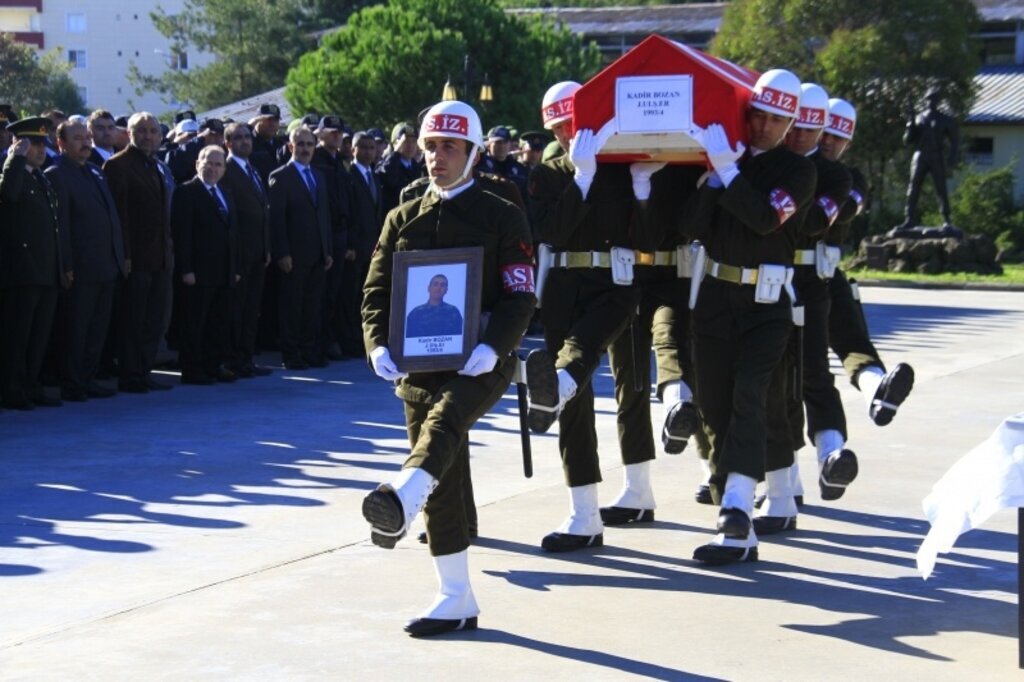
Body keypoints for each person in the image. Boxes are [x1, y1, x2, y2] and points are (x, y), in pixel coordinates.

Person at [361, 100, 535, 637]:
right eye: (431, 145)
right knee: (447, 478)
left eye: (450, 148)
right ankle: (454, 595)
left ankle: (402, 494)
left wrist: (496, 345)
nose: (437, 157)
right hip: (418, 367)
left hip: (480, 360)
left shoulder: (501, 212)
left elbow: (520, 292)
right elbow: (376, 291)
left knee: (441, 430)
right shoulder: (403, 216)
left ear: (475, 154)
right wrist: (376, 345)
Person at [682, 69, 817, 565]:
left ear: (791, 122)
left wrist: (727, 174)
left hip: (766, 304)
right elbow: (691, 225)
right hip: (715, 295)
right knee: (714, 405)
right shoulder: (727, 159)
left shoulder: (799, 170)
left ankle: (737, 505)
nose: (764, 126)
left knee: (749, 395)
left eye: (776, 119)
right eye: (758, 114)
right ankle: (737, 531)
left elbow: (765, 218)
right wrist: (712, 179)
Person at [525, 80, 649, 552]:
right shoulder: (548, 174)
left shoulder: (620, 167)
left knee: (583, 364)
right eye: (558, 124)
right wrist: (580, 177)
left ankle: (555, 386)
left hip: (615, 283)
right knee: (574, 408)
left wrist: (641, 189)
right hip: (563, 285)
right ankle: (584, 515)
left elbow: (650, 228)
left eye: (571, 120)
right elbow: (551, 231)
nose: (566, 131)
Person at [754, 83, 853, 536]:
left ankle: (831, 455)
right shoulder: (766, 161)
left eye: (816, 129)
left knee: (812, 372)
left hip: (811, 282)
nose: (804, 137)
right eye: (799, 126)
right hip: (766, 279)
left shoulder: (835, 176)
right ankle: (785, 479)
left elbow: (814, 223)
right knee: (775, 383)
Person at [819, 98, 916, 426]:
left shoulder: (851, 178)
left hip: (826, 272)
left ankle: (878, 391)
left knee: (853, 339)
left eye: (837, 138)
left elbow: (845, 209)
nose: (828, 142)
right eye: (824, 134)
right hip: (785, 274)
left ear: (847, 143)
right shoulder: (790, 167)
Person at [44, 119, 125, 402]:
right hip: (80, 267)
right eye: (77, 138)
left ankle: (88, 378)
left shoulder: (94, 171)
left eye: (86, 137)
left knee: (97, 328)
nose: (86, 142)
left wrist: (119, 254)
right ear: (61, 143)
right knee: (76, 329)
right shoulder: (57, 173)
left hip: (105, 264)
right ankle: (73, 382)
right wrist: (66, 265)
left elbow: (111, 217)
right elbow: (61, 226)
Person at [103, 112, 176, 393]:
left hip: (160, 256)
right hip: (136, 258)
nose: (148, 136)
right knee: (133, 319)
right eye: (141, 130)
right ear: (129, 134)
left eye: (153, 131)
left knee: (153, 319)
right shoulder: (117, 165)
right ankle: (130, 374)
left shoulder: (156, 165)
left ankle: (144, 370)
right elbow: (118, 215)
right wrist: (125, 255)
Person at [0, 117, 70, 409]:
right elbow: (9, 195)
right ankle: (12, 389)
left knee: (39, 336)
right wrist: (13, 159)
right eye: (34, 144)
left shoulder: (40, 177)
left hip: (46, 270)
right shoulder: (14, 172)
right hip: (23, 272)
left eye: (43, 143)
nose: (41, 150)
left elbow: (54, 226)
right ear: (20, 144)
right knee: (18, 336)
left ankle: (31, 384)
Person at [171, 146, 240, 384]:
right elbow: (182, 235)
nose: (213, 168)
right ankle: (192, 369)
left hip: (223, 271)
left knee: (218, 322)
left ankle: (213, 365)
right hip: (198, 272)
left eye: (218, 164)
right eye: (208, 163)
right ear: (197, 164)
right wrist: (186, 269)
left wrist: (235, 268)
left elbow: (232, 233)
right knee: (194, 323)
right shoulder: (186, 192)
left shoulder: (225, 193)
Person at [268, 126, 333, 370]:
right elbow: (277, 219)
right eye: (301, 144)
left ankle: (308, 350)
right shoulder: (281, 176)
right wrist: (282, 252)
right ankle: (291, 353)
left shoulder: (318, 175)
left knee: (312, 306)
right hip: (293, 255)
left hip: (317, 254)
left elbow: (323, 215)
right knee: (291, 306)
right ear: (290, 147)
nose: (306, 149)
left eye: (309, 144)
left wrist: (327, 250)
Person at [220, 122, 272, 378]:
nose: (245, 142)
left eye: (247, 137)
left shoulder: (252, 169)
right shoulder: (227, 171)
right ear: (227, 143)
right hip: (239, 253)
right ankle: (232, 359)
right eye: (238, 138)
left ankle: (246, 357)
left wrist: (267, 247)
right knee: (236, 310)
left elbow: (262, 212)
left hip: (258, 252)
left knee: (252, 309)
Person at [895, 86, 960, 231]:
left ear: (938, 101)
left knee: (940, 188)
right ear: (926, 100)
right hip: (920, 155)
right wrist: (910, 127)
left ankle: (946, 219)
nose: (932, 101)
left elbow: (955, 142)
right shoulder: (918, 118)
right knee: (913, 188)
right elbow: (907, 141)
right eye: (929, 98)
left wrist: (951, 161)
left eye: (934, 98)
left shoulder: (945, 120)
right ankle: (909, 219)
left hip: (937, 155)